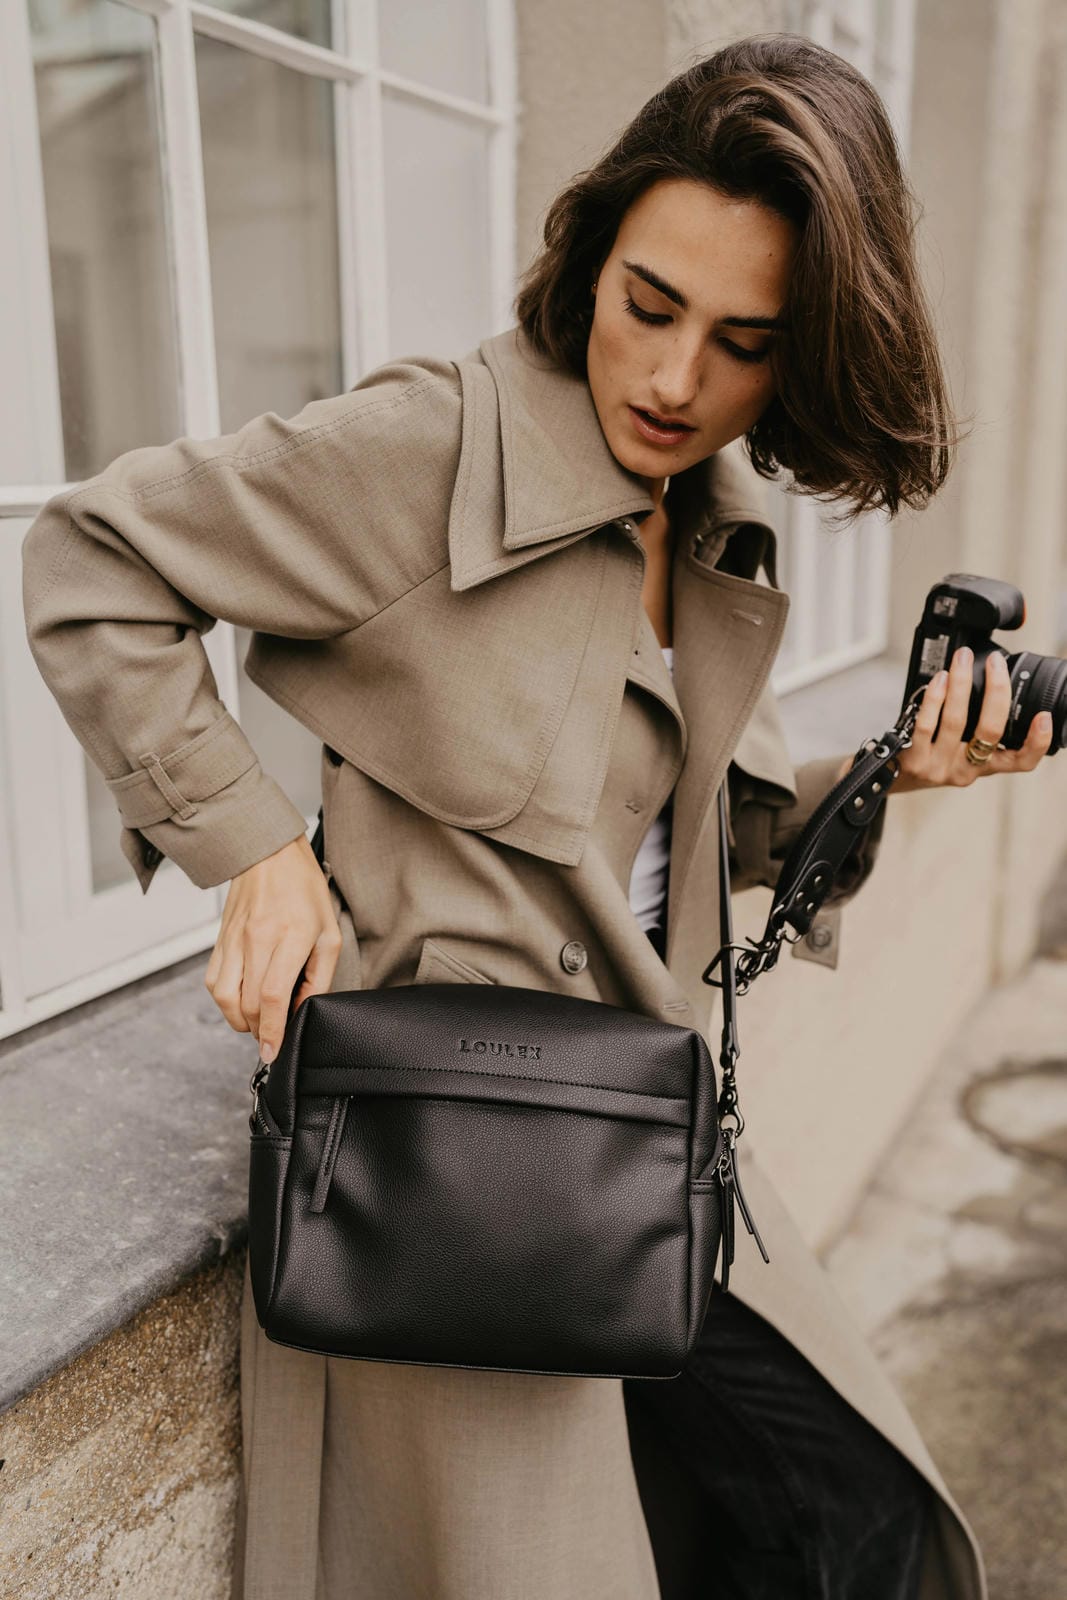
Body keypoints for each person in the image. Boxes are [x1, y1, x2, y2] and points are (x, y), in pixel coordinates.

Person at [21, 31, 1050, 1600]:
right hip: (457, 1187)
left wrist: (891, 776)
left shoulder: (712, 528)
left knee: (873, 1526)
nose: (672, 379)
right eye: (650, 305)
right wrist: (256, 849)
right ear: (591, 254)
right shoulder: (430, 447)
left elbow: (681, 844)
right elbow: (93, 562)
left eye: (744, 341)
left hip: (661, 1150)